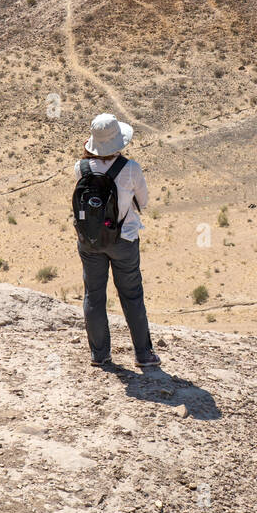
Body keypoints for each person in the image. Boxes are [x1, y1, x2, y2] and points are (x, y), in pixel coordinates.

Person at [73, 113, 160, 369]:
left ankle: (100, 355)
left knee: (94, 295)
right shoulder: (130, 168)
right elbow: (142, 202)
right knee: (132, 296)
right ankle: (143, 355)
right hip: (124, 239)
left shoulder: (81, 168)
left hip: (90, 241)